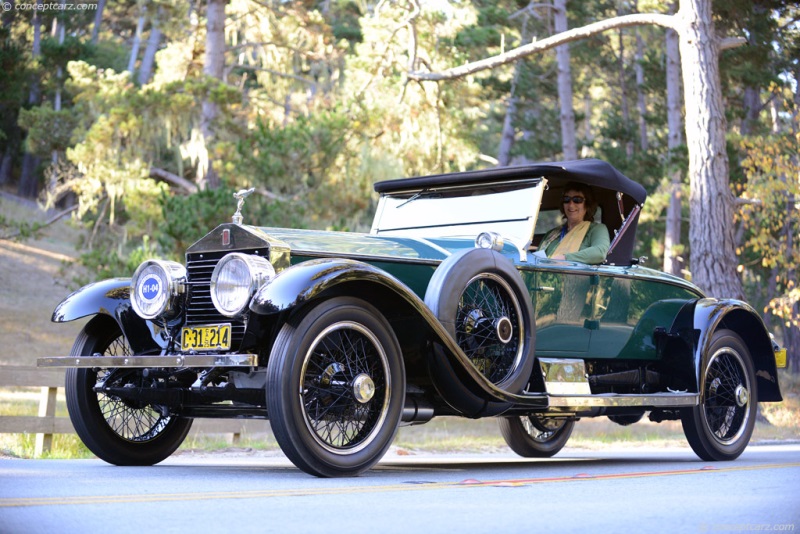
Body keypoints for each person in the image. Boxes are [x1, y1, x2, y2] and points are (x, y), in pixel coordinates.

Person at [538, 182, 610, 264]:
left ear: (587, 204)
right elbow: (536, 259)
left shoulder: (596, 229)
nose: (571, 205)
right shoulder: (551, 234)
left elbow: (599, 253)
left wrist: (565, 258)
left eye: (577, 200)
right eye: (566, 199)